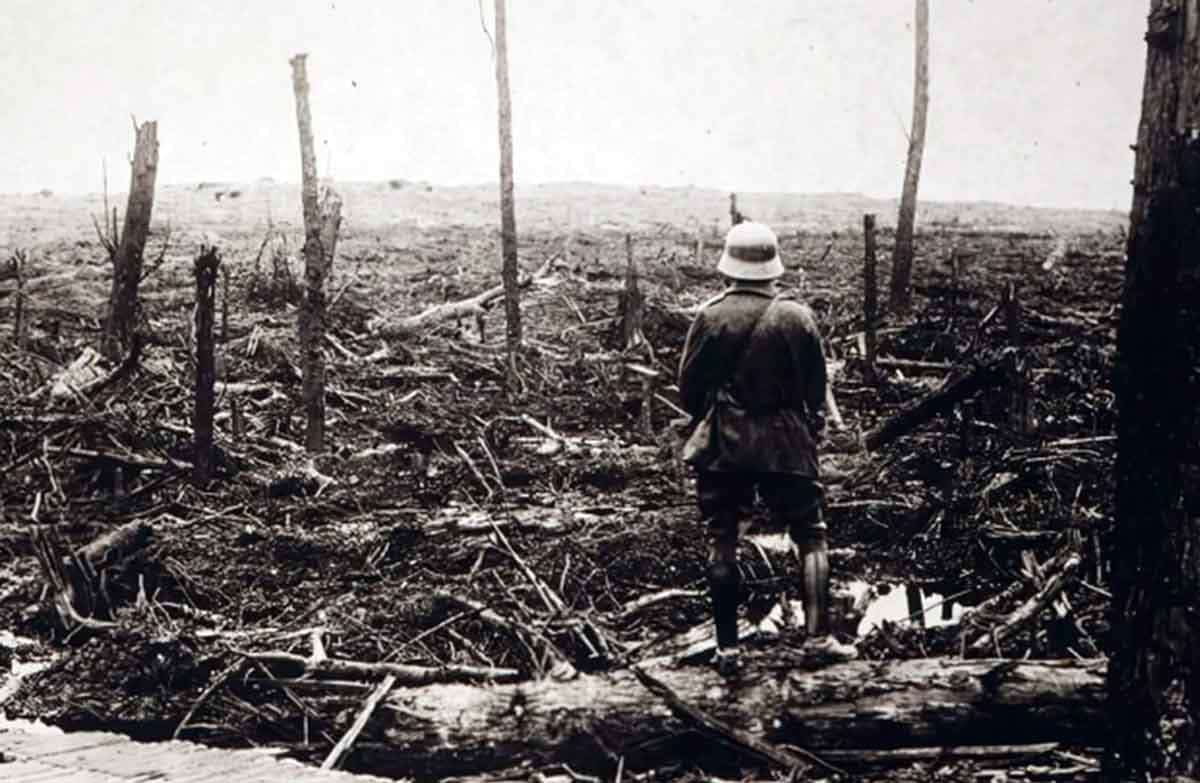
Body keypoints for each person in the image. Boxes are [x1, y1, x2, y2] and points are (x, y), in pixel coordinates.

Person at [677, 221, 857, 673]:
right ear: (773, 267)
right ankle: (818, 640)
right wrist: (803, 422)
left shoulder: (709, 315)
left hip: (724, 443)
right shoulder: (797, 316)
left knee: (722, 537)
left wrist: (718, 415)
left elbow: (688, 389)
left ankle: (727, 650)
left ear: (729, 268)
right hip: (786, 441)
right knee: (810, 532)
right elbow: (815, 390)